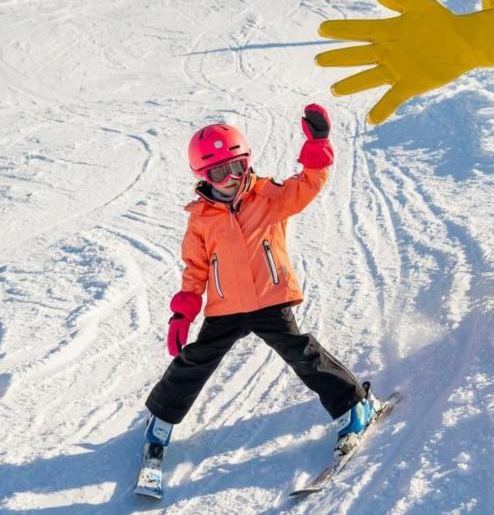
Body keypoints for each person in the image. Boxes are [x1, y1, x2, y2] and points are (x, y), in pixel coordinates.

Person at [143, 104, 379, 458]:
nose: (232, 178)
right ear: (203, 175)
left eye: (237, 166)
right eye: (221, 172)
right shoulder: (201, 219)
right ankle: (161, 418)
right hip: (227, 307)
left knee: (302, 353)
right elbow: (195, 268)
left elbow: (309, 184)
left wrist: (317, 146)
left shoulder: (269, 196)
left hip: (271, 297)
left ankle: (355, 404)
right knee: (196, 360)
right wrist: (183, 313)